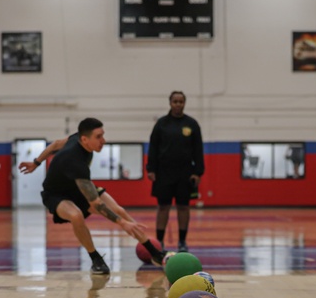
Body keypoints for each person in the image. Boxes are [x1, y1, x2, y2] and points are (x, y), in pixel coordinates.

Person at [38, 118, 165, 275]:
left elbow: (56, 144)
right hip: (56, 194)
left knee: (119, 210)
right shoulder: (74, 161)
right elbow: (97, 204)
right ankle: (95, 259)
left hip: (76, 187)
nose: (103, 141)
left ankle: (155, 253)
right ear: (84, 139)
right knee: (76, 215)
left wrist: (36, 162)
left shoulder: (76, 138)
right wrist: (123, 224)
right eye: (98, 137)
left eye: (102, 135)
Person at [147, 91, 204, 253]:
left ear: (184, 103)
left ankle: (182, 242)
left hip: (185, 173)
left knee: (183, 207)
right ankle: (159, 242)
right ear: (170, 103)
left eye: (181, 101)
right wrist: (151, 169)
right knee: (163, 207)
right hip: (163, 172)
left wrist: (198, 172)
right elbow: (153, 147)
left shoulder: (192, 124)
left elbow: (198, 150)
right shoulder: (161, 124)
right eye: (175, 101)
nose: (178, 104)